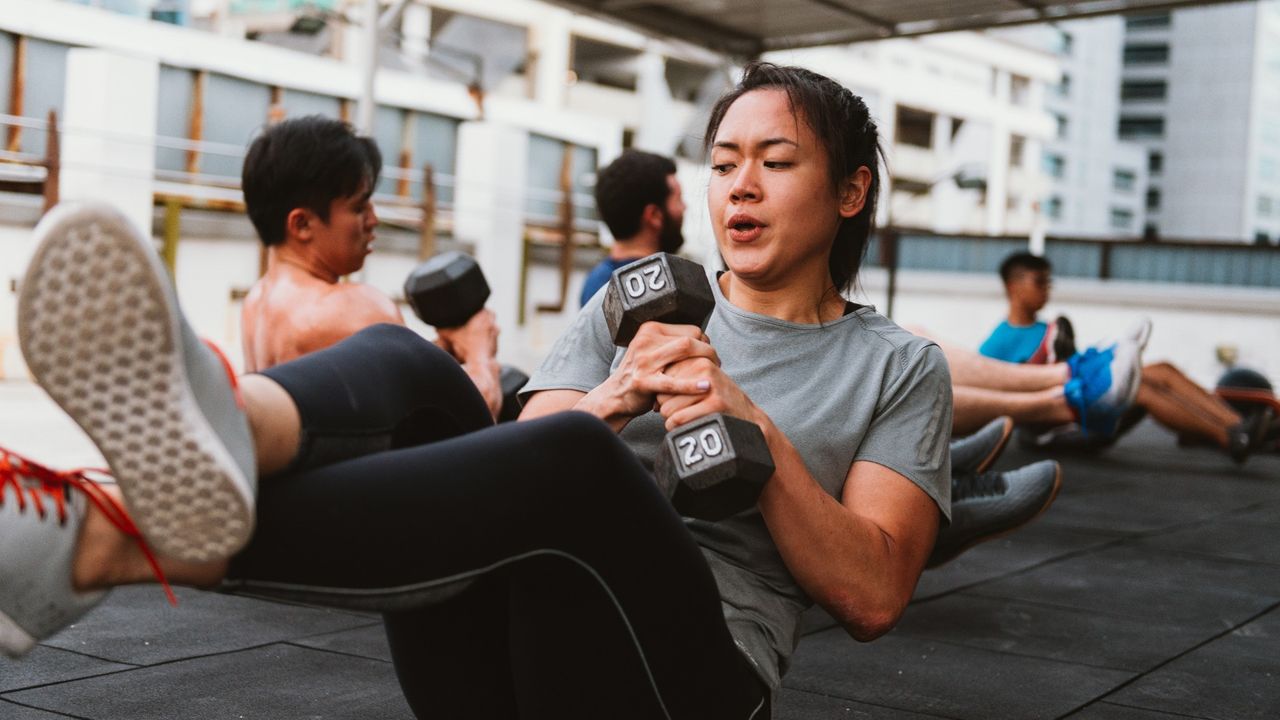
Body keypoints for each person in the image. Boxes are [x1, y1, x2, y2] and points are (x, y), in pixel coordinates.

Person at [238, 115, 503, 418]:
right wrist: (481, 354)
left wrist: (439, 350)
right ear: (302, 224)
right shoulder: (357, 309)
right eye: (359, 208)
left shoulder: (256, 303)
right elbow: (469, 415)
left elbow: (345, 386)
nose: (373, 221)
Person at [983, 252, 1266, 462]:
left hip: (1083, 404)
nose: (1047, 289)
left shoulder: (1048, 328)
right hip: (1055, 428)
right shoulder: (997, 343)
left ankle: (1237, 425)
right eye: (1039, 282)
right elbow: (992, 394)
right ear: (1013, 287)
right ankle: (1228, 440)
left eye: (1049, 282)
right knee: (1141, 388)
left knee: (1162, 369)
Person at [578, 149, 686, 307]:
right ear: (654, 215)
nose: (684, 208)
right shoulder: (659, 287)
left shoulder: (594, 282)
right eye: (678, 199)